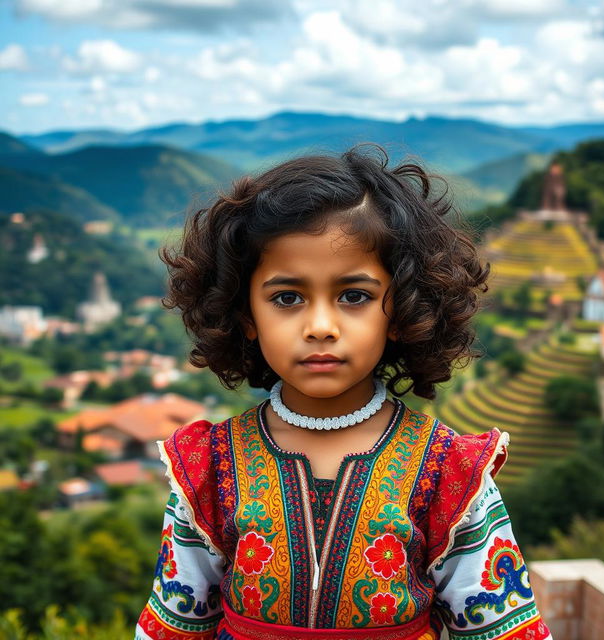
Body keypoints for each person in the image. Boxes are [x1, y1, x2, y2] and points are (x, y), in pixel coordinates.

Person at [135, 145, 552, 640]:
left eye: (354, 296)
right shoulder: (208, 467)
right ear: (246, 314)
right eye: (286, 297)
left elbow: (502, 630)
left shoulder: (451, 472)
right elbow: (174, 625)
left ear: (401, 309)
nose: (320, 327)